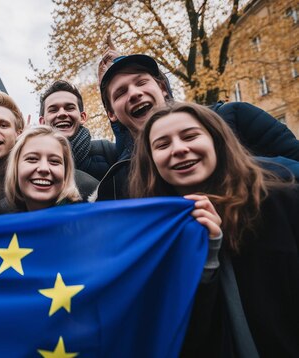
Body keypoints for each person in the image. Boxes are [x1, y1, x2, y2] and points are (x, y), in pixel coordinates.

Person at [129, 102, 299, 357]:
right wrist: (206, 261)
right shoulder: (155, 238)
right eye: (162, 145)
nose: (179, 149)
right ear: (150, 161)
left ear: (216, 141)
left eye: (190, 136)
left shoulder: (282, 201)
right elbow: (180, 336)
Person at [95, 49, 299, 200]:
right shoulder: (120, 177)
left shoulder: (236, 116)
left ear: (163, 88)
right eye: (120, 92)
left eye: (141, 82)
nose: (134, 93)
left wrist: (239, 178)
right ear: (112, 114)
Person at [39, 80, 116, 180]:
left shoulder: (109, 153)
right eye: (53, 110)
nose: (62, 113)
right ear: (42, 122)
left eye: (69, 108)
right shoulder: (26, 163)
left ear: (82, 117)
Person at [5, 126, 81, 212]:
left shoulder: (84, 222)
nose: (44, 168)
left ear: (66, 173)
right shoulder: (2, 220)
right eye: (32, 159)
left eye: (54, 161)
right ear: (15, 168)